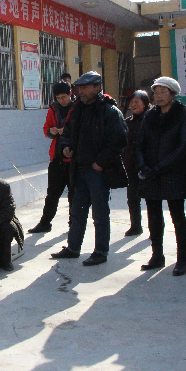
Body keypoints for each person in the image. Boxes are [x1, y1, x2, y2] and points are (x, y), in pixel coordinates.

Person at [51, 71, 128, 266]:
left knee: (100, 213)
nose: (81, 91)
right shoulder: (78, 109)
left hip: (97, 171)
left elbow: (118, 141)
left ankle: (100, 251)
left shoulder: (109, 111)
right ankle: (73, 248)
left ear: (97, 87)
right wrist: (66, 147)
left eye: (85, 87)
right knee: (77, 212)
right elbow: (67, 133)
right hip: (79, 169)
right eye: (80, 88)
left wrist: (99, 164)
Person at [134, 77, 186, 276]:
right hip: (150, 173)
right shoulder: (150, 116)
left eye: (163, 92)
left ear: (173, 94)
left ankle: (182, 259)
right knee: (153, 216)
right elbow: (139, 144)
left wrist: (160, 167)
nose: (158, 96)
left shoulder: (183, 116)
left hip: (172, 173)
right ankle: (157, 255)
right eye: (156, 92)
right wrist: (142, 165)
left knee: (178, 216)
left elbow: (182, 147)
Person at [28, 81, 75, 234]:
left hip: (74, 160)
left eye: (64, 97)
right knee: (52, 194)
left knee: (74, 195)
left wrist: (66, 131)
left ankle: (74, 224)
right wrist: (51, 131)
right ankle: (45, 223)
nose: (62, 100)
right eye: (58, 97)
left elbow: (81, 130)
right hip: (57, 159)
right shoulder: (53, 109)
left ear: (70, 94)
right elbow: (46, 129)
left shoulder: (77, 108)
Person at [122, 90, 150, 236]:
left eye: (136, 102)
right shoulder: (128, 122)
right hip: (131, 165)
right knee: (132, 197)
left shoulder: (150, 120)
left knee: (151, 200)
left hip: (147, 165)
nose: (133, 105)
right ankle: (135, 226)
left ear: (145, 104)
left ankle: (155, 229)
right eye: (131, 102)